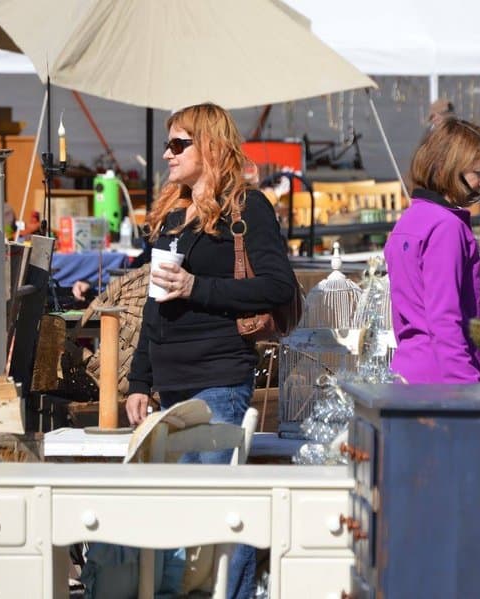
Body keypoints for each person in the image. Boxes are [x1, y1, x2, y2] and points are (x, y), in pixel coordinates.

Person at [126, 102, 297, 599]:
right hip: (171, 386)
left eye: (179, 144)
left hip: (218, 378)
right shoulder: (171, 215)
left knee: (219, 512)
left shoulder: (247, 208)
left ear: (211, 147)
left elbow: (278, 285)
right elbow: (155, 303)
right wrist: (140, 380)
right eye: (167, 144)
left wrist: (197, 287)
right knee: (183, 516)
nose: (167, 153)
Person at [384, 116, 480, 383]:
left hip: (408, 370)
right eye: (479, 173)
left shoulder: (408, 220)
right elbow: (445, 319)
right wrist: (465, 385)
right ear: (450, 170)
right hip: (443, 378)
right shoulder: (447, 227)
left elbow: (402, 317)